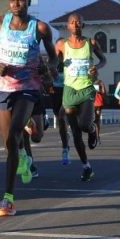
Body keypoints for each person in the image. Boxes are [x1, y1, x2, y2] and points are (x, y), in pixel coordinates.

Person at [0, 0, 58, 217]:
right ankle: (24, 152)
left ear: (29, 2)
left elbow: (53, 58)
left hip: (28, 87)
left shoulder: (40, 28)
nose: (16, 4)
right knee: (9, 145)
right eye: (12, 0)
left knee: (16, 135)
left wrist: (48, 70)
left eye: (21, 0)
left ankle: (7, 199)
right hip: (3, 88)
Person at [55, 13, 106, 182]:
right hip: (70, 89)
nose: (75, 24)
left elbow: (103, 60)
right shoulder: (61, 45)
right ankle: (86, 167)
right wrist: (51, 69)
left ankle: (92, 130)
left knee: (84, 125)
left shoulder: (91, 43)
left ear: (83, 25)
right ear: (68, 26)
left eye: (78, 22)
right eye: (72, 22)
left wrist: (97, 67)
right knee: (76, 133)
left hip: (86, 89)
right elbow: (54, 62)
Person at [49, 37, 71, 165]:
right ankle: (65, 139)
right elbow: (46, 76)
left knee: (62, 117)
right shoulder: (52, 61)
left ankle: (65, 149)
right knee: (60, 120)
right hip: (55, 92)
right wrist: (50, 74)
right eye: (57, 48)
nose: (59, 50)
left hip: (68, 91)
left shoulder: (70, 60)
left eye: (62, 48)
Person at [93, 75, 106, 145]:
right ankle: (92, 136)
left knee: (96, 121)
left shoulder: (100, 82)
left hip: (98, 104)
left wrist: (100, 90)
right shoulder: (88, 82)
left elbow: (104, 93)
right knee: (91, 121)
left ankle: (97, 137)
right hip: (90, 104)